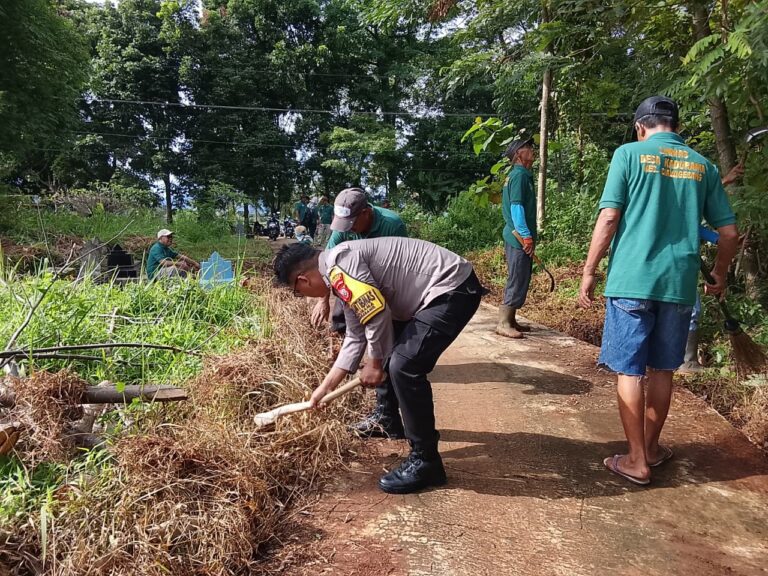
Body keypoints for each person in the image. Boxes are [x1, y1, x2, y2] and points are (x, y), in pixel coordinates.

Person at [578, 96, 739, 485]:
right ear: (676, 127)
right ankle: (650, 449)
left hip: (632, 280)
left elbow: (610, 216)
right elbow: (729, 233)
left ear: (640, 127)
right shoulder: (703, 166)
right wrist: (718, 275)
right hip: (678, 285)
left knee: (630, 370)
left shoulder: (628, 155)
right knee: (663, 369)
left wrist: (589, 270)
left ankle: (636, 460)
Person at [273, 238, 484, 493]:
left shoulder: (340, 265)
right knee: (386, 351)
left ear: (303, 280)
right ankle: (387, 420)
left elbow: (377, 313)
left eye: (297, 292)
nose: (302, 295)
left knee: (404, 365)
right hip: (439, 291)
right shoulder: (339, 274)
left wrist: (374, 364)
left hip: (451, 288)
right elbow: (356, 336)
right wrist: (325, 388)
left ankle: (426, 461)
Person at [310, 187, 409, 439]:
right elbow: (329, 264)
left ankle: (387, 417)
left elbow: (400, 268)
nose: (349, 229)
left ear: (366, 212)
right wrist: (324, 300)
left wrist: (375, 357)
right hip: (353, 283)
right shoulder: (343, 228)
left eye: (353, 222)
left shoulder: (392, 225)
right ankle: (348, 366)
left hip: (386, 288)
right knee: (347, 328)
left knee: (388, 350)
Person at [496, 135, 537, 339]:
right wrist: (525, 235)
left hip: (518, 236)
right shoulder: (519, 176)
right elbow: (516, 207)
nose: (532, 149)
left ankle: (511, 319)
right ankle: (503, 323)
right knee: (517, 276)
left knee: (521, 275)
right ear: (519, 154)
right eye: (528, 147)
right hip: (517, 237)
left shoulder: (520, 175)